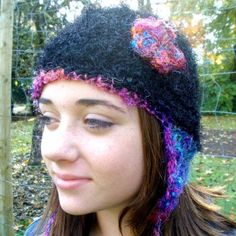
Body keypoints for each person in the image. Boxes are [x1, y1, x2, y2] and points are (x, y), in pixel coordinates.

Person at [24, 4, 236, 236]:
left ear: (170, 144)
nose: (55, 150)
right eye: (49, 119)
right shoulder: (38, 231)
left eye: (95, 121)